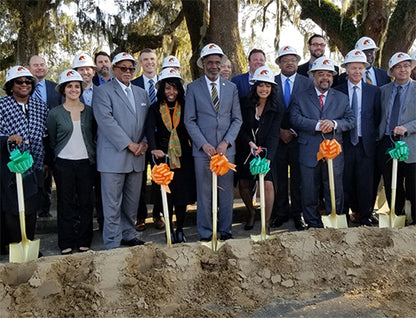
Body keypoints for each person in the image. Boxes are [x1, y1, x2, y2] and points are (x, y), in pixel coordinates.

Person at [185, 43, 242, 241]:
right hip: (203, 152)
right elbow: (189, 120)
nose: (214, 66)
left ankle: (225, 231)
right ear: (203, 64)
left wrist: (226, 142)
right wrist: (203, 144)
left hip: (225, 151)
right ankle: (206, 233)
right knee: (205, 195)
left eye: (217, 62)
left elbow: (237, 119)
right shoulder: (192, 88)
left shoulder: (231, 88)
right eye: (210, 62)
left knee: (226, 194)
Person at [93, 52, 150, 249]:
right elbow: (106, 122)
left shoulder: (141, 93)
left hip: (137, 157)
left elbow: (146, 123)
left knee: (131, 202)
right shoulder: (103, 91)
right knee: (112, 204)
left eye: (131, 68)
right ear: (114, 69)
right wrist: (129, 144)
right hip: (113, 157)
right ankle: (112, 240)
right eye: (123, 68)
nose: (127, 72)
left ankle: (128, 234)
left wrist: (143, 142)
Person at [290, 57, 355, 228]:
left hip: (334, 152)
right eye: (320, 74)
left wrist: (334, 124)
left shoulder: (341, 98)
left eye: (329, 75)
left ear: (333, 78)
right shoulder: (300, 97)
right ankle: (313, 224)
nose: (325, 78)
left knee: (334, 188)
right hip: (309, 150)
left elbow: (351, 120)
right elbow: (295, 119)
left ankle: (335, 220)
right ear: (313, 76)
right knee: (309, 189)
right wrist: (318, 125)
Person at [47, 69, 96, 254]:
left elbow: (93, 135)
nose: (74, 89)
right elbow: (52, 139)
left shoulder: (89, 112)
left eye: (77, 86)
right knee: (65, 203)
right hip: (64, 163)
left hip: (85, 162)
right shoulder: (55, 113)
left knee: (85, 202)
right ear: (63, 90)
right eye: (70, 86)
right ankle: (66, 242)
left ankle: (84, 240)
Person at [0, 66, 48, 249]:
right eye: (19, 82)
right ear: (11, 85)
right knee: (13, 208)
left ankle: (30, 243)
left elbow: (45, 136)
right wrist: (7, 138)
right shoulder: (2, 106)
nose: (24, 85)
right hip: (11, 167)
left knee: (31, 207)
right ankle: (15, 244)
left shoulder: (40, 106)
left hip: (34, 165)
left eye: (28, 82)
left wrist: (45, 163)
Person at [147, 68, 196, 243]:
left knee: (181, 196)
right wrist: (153, 149)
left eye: (174, 88)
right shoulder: (155, 108)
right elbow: (149, 131)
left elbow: (191, 129)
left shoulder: (185, 106)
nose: (171, 92)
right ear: (162, 90)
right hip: (163, 157)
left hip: (183, 156)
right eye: (168, 88)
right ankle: (168, 228)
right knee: (166, 196)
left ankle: (180, 229)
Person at [334, 49, 381, 226]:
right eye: (353, 68)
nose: (357, 72)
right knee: (345, 180)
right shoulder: (337, 91)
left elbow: (377, 117)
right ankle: (344, 215)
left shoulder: (373, 91)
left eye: (360, 68)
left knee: (365, 181)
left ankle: (365, 216)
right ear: (346, 69)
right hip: (343, 143)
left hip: (365, 143)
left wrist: (373, 139)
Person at [236, 66, 283, 233]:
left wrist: (268, 157)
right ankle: (251, 213)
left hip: (266, 151)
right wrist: (249, 142)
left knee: (268, 184)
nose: (264, 89)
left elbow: (274, 134)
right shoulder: (244, 103)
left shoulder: (277, 107)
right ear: (254, 86)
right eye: (261, 85)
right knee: (244, 184)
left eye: (268, 86)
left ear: (272, 88)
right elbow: (238, 126)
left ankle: (266, 222)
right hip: (246, 149)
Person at [272, 46, 312, 231]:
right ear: (279, 63)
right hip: (277, 139)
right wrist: (279, 131)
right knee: (279, 178)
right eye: (285, 59)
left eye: (293, 59)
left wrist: (294, 131)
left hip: (300, 139)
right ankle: (280, 213)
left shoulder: (307, 83)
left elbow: (310, 110)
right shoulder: (270, 82)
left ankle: (298, 214)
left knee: (299, 179)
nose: (290, 63)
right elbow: (267, 112)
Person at [377, 52, 416, 225]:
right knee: (392, 184)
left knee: (414, 185)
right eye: (398, 67)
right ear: (392, 71)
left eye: (406, 66)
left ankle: (414, 222)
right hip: (387, 142)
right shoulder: (383, 91)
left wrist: (406, 128)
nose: (403, 70)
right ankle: (396, 216)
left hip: (410, 144)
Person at [131, 48, 164, 231]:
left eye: (152, 59)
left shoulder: (165, 83)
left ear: (156, 61)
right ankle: (140, 216)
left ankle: (158, 214)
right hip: (139, 140)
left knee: (161, 178)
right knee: (140, 180)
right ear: (140, 63)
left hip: (161, 140)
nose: (149, 62)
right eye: (145, 59)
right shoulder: (133, 84)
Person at [27, 55, 62, 218]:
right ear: (29, 68)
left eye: (42, 64)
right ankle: (36, 210)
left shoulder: (56, 88)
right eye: (35, 65)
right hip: (32, 139)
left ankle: (47, 210)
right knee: (37, 177)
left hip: (54, 138)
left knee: (53, 175)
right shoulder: (23, 87)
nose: (39, 68)